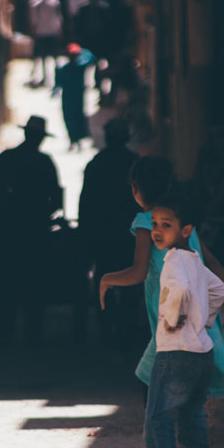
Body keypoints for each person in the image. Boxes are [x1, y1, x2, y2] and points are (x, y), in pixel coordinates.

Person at [100, 158, 224, 448]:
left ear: (134, 190)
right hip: (195, 320)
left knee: (157, 389)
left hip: (174, 323)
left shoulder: (148, 222)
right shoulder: (180, 222)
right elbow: (213, 264)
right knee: (186, 398)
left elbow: (138, 271)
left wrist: (106, 279)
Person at [136, 189, 224, 448]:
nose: (158, 231)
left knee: (158, 419)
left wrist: (174, 319)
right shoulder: (194, 259)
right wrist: (206, 320)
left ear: (186, 231)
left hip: (175, 353)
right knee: (192, 420)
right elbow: (220, 288)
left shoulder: (173, 262)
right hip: (201, 352)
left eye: (166, 225)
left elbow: (180, 290)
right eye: (155, 224)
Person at [0, 116, 62, 341]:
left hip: (9, 230)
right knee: (35, 278)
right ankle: (33, 331)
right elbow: (55, 200)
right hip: (36, 231)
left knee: (7, 277)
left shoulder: (6, 159)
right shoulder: (45, 163)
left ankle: (6, 330)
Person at [78, 118, 140, 343]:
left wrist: (85, 233)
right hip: (129, 234)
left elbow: (86, 203)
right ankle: (127, 328)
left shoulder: (96, 163)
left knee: (103, 279)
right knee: (131, 279)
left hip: (102, 233)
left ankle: (106, 325)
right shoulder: (135, 164)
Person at [53, 43, 96, 150]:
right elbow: (58, 83)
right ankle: (73, 140)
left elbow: (92, 59)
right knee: (69, 118)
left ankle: (77, 140)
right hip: (68, 97)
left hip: (77, 97)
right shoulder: (65, 69)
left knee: (77, 118)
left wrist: (82, 50)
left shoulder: (80, 67)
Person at [28, 0, 64, 88]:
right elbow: (33, 19)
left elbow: (58, 17)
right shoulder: (36, 3)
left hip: (47, 32)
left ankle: (55, 77)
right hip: (43, 32)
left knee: (52, 57)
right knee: (45, 57)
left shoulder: (54, 2)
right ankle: (48, 77)